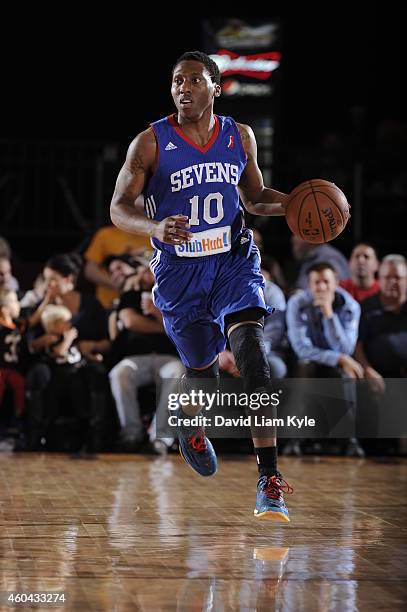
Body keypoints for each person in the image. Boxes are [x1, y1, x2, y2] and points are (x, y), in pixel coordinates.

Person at [110, 50, 295, 522]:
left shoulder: (240, 136)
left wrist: (295, 205)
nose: (183, 88)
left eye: (194, 80)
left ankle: (269, 479)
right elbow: (118, 207)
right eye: (176, 81)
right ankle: (192, 427)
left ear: (215, 88)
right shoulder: (150, 143)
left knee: (253, 355)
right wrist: (152, 228)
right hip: (180, 274)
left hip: (232, 263)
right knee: (204, 379)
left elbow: (253, 198)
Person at [286, 262, 364, 456]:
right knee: (305, 367)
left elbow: (346, 348)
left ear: (336, 283)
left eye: (326, 282)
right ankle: (295, 439)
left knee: (346, 372)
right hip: (307, 362)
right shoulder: (297, 303)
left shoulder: (350, 306)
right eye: (316, 282)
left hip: (335, 364)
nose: (321, 287)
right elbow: (302, 349)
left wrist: (329, 315)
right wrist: (338, 358)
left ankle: (349, 440)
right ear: (308, 285)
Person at [84, 225, 152, 308]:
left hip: (148, 303)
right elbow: (90, 270)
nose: (117, 274)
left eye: (119, 267)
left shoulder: (151, 234)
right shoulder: (106, 234)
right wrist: (116, 284)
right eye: (112, 271)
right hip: (110, 304)